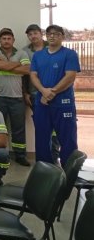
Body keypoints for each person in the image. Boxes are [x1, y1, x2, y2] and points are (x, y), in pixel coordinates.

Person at [30, 24, 80, 165]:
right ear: (46, 36)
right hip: (42, 103)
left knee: (67, 138)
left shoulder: (69, 54)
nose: (52, 36)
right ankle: (44, 170)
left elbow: (70, 76)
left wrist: (52, 92)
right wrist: (43, 91)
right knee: (41, 138)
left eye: (56, 34)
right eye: (49, 33)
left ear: (62, 37)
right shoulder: (38, 55)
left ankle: (69, 170)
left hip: (63, 104)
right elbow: (33, 75)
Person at [0, 28, 31, 166]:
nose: (6, 41)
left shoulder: (22, 53)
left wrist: (6, 66)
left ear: (13, 40)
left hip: (17, 98)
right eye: (4, 39)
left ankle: (20, 155)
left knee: (18, 128)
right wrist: (17, 64)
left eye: (9, 38)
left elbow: (27, 69)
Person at [24, 23, 59, 163]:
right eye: (30, 34)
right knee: (42, 127)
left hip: (54, 93)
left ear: (41, 33)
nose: (33, 36)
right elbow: (24, 75)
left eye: (35, 33)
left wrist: (55, 90)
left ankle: (54, 157)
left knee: (55, 126)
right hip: (34, 94)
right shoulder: (25, 52)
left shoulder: (52, 47)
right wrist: (25, 92)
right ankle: (43, 161)